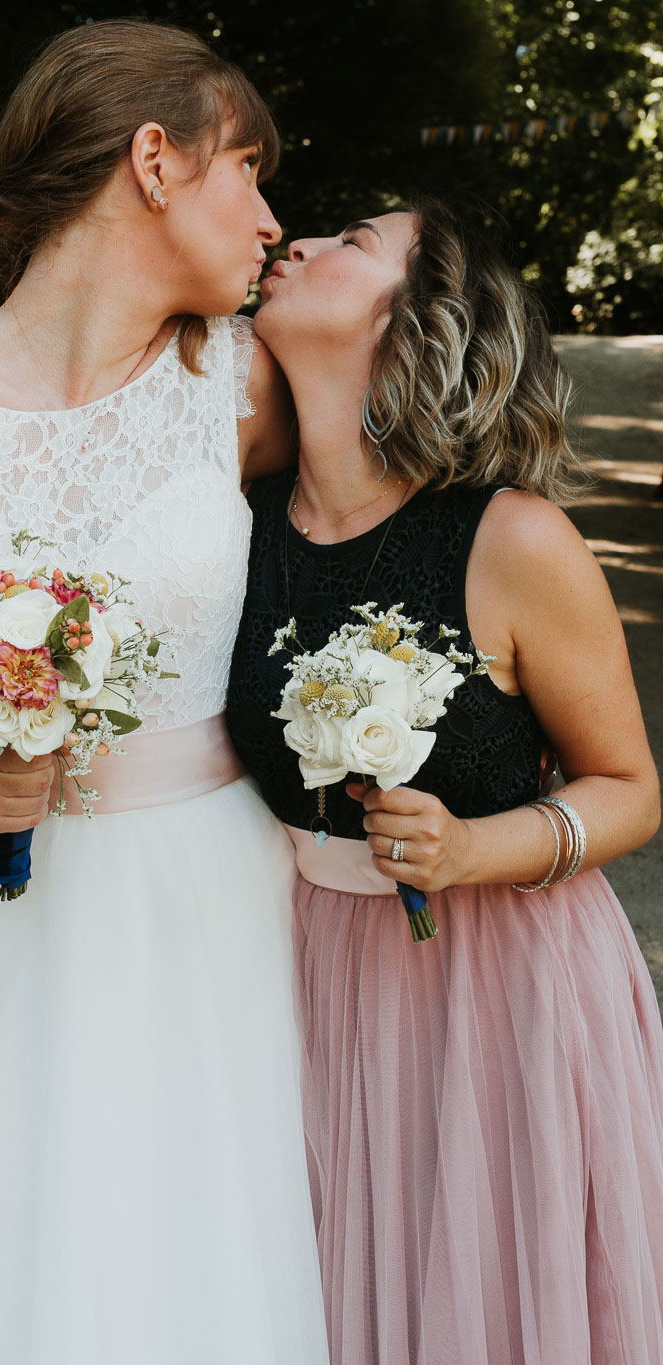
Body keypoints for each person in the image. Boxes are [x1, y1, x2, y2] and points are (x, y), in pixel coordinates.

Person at [0, 22, 331, 1364]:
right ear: (155, 160)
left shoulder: (249, 387)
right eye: (246, 171)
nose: (269, 219)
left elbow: (408, 516)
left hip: (213, 903)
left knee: (193, 1258)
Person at [226, 199, 663, 1364]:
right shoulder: (230, 526)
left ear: (416, 325)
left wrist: (477, 849)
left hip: (501, 991)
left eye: (351, 242)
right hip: (304, 970)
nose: (299, 243)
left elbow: (629, 785)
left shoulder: (510, 540)